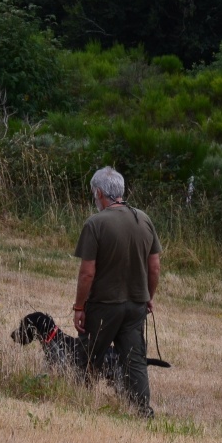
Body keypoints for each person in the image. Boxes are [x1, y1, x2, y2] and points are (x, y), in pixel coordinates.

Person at [72, 166, 162, 418]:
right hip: (136, 305)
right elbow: (154, 267)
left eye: (93, 193)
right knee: (135, 361)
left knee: (88, 357)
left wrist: (79, 307)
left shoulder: (95, 223)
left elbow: (87, 273)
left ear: (99, 193)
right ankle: (142, 411)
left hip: (103, 305)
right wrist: (147, 297)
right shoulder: (143, 219)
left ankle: (77, 403)